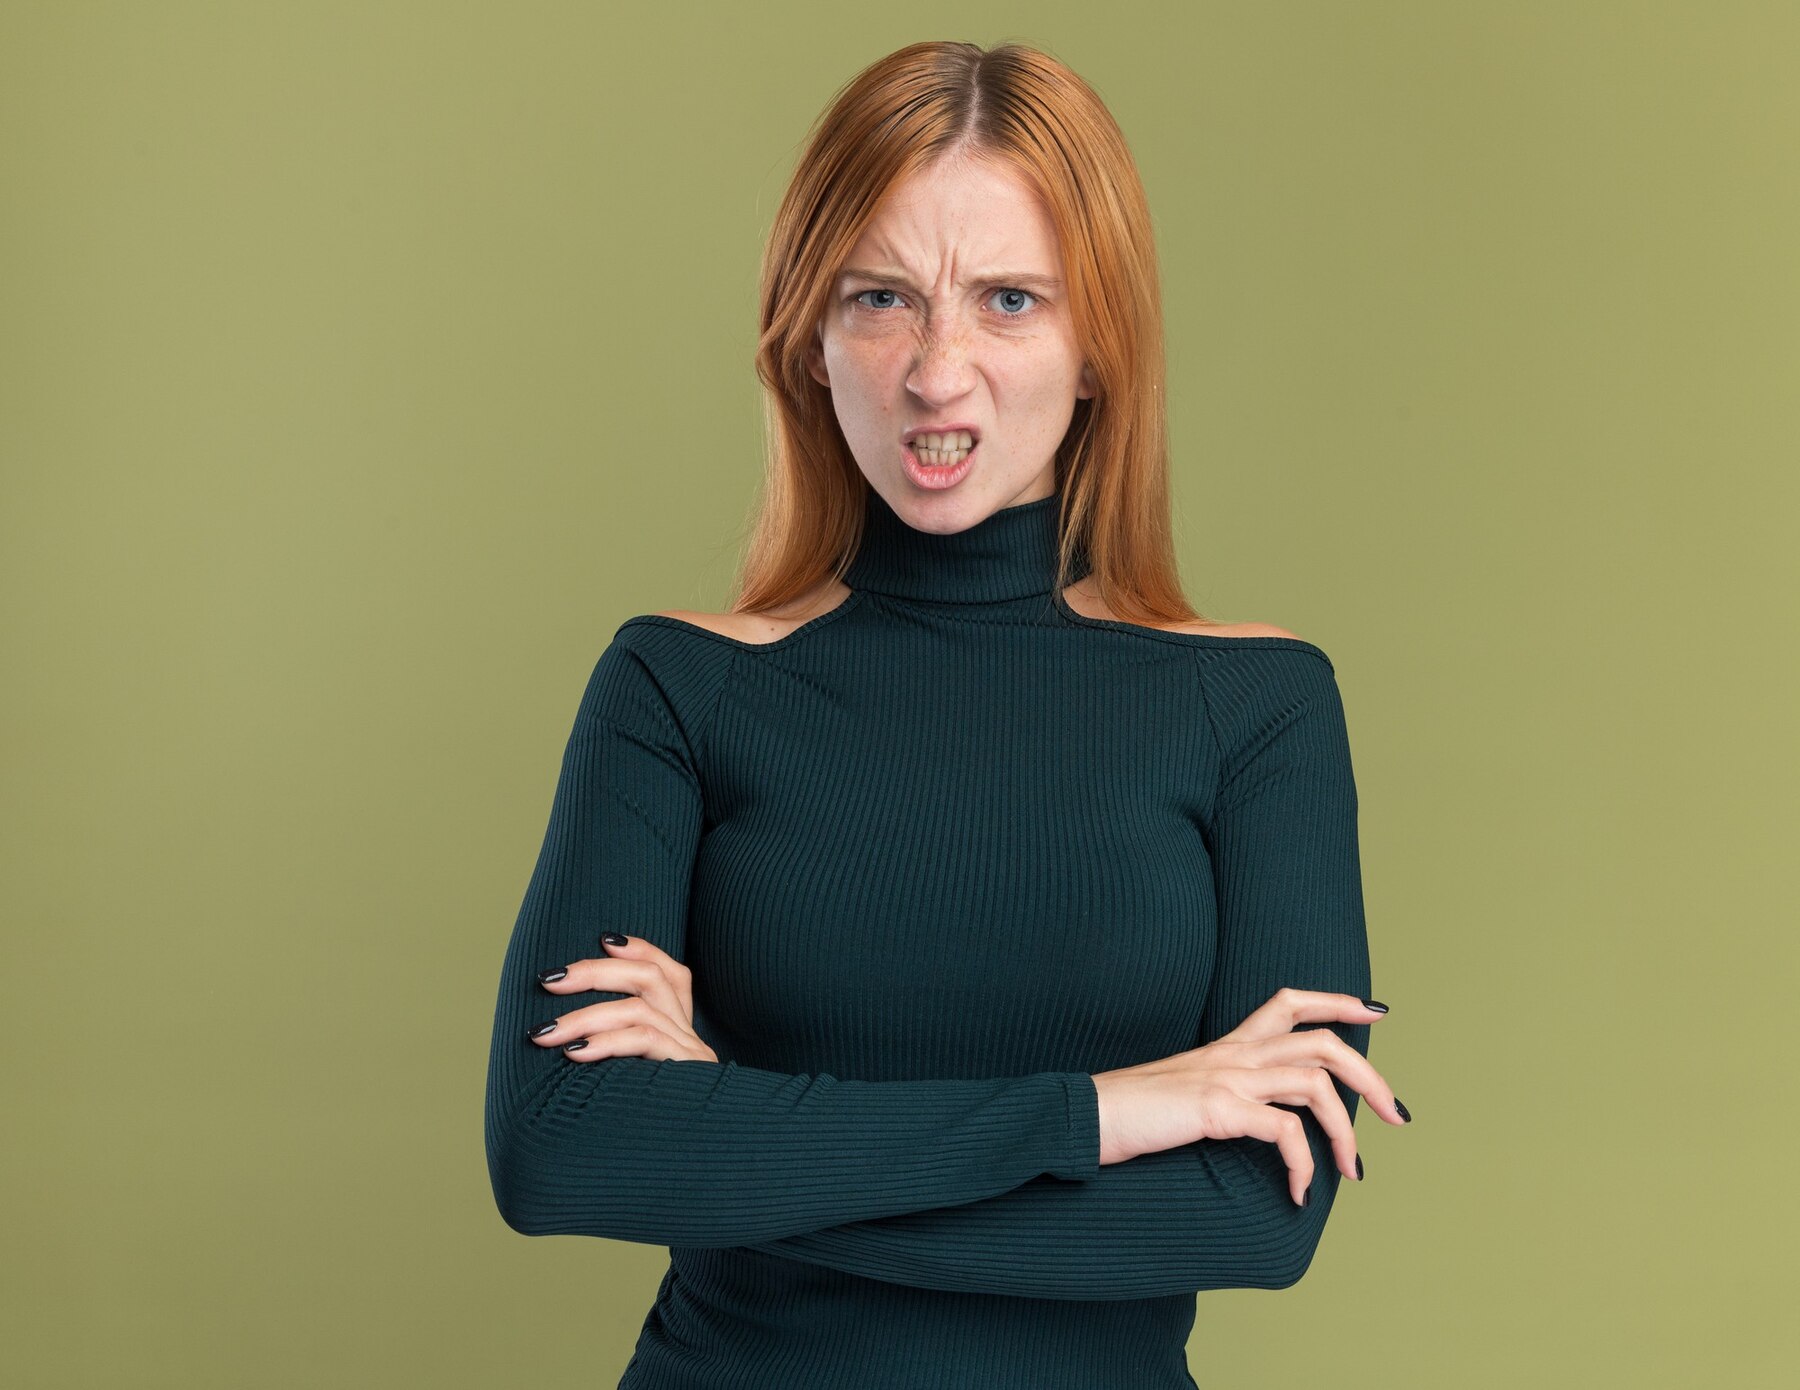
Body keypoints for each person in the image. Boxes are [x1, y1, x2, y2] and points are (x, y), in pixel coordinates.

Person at [484, 39, 1408, 1390]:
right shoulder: (677, 688)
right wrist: (1110, 1110)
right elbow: (559, 1143)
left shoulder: (1254, 707)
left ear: (1099, 347)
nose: (937, 370)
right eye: (882, 297)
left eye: (1010, 300)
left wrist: (736, 1132)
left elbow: (1256, 1215)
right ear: (810, 335)